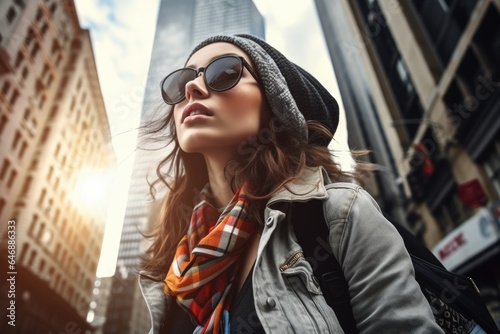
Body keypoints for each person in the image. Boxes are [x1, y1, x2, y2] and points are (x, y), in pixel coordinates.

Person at [139, 34, 444, 334]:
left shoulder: (339, 215)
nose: (192, 87)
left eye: (225, 72)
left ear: (275, 102)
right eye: (182, 82)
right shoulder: (170, 265)